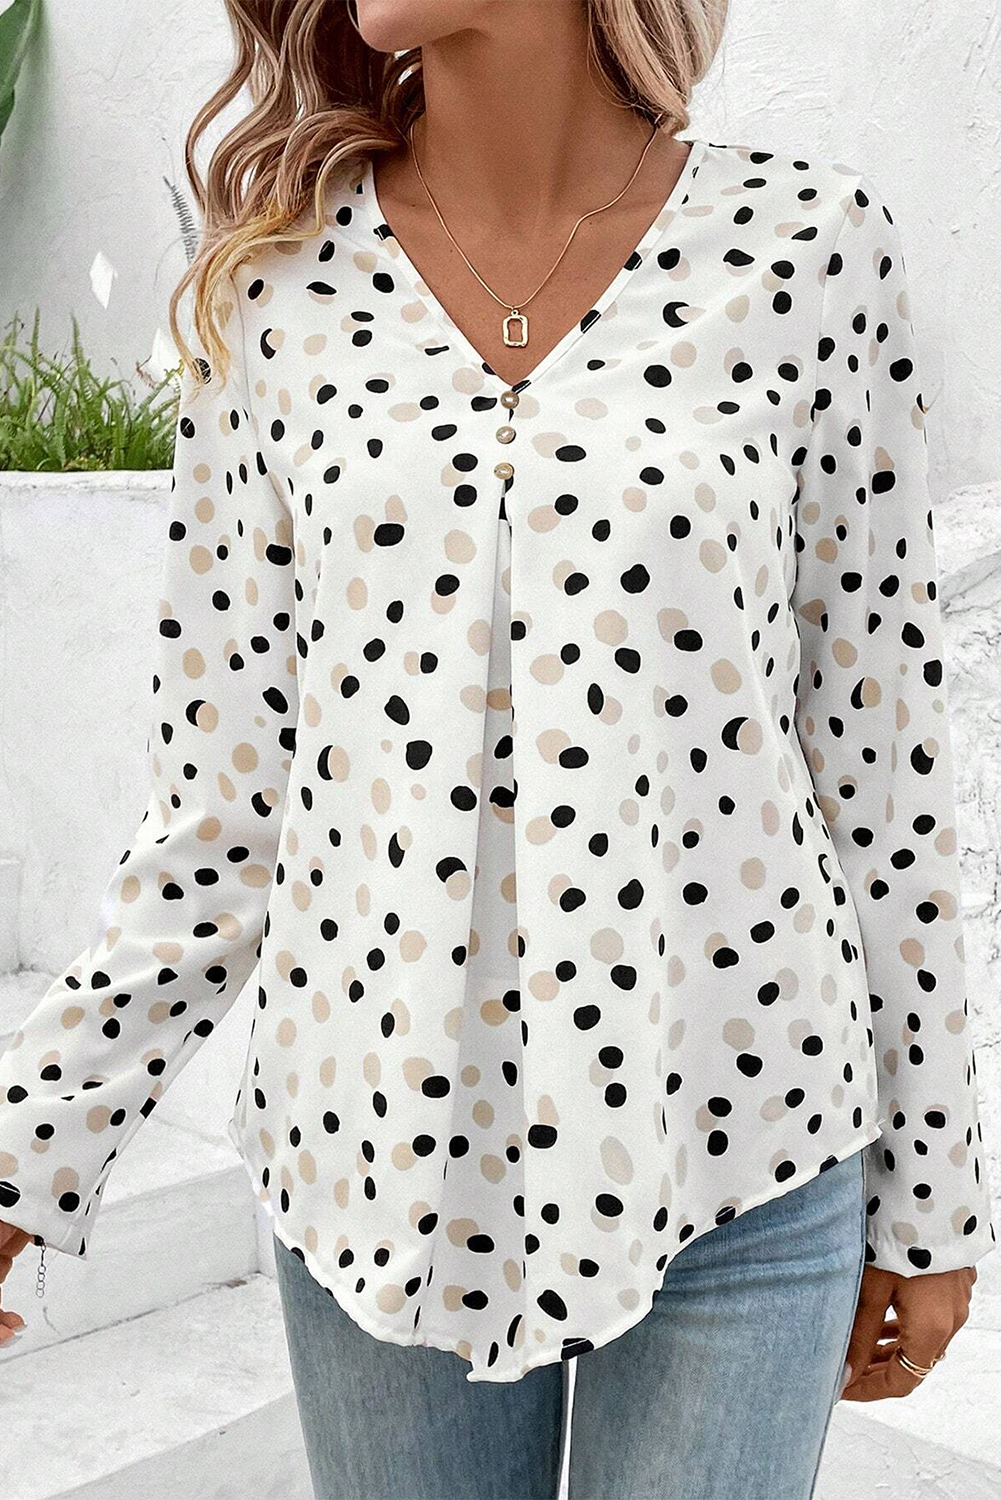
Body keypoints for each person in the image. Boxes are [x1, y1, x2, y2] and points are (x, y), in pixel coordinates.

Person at [0, 2, 995, 1497]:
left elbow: (884, 763)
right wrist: (31, 1148)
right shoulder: (272, 291)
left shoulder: (807, 252)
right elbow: (219, 811)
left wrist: (935, 1192)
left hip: (739, 1144)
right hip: (375, 1164)